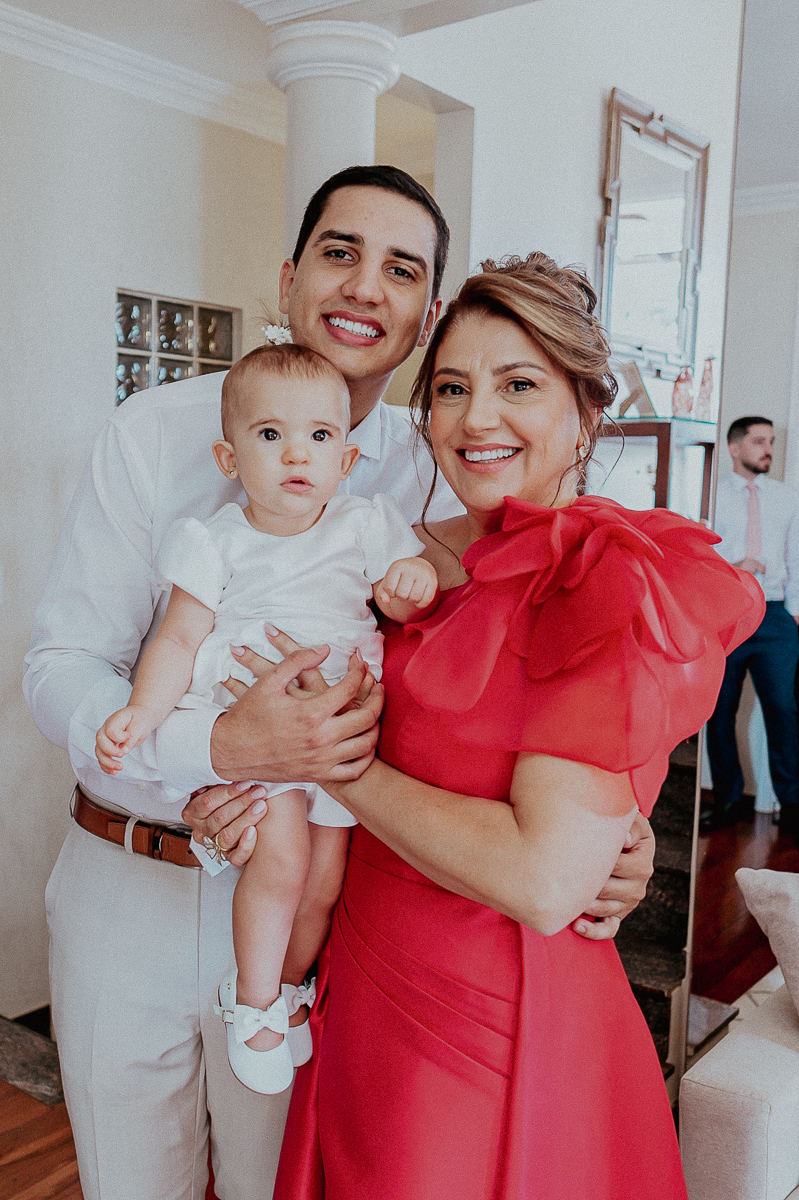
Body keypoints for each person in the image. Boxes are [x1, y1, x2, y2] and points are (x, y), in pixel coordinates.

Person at [23, 167, 656, 1200]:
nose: (366, 286)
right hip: (130, 885)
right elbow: (58, 671)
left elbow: (528, 668)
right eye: (339, 253)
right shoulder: (156, 434)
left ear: (425, 316)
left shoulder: (440, 456)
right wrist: (214, 753)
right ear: (288, 278)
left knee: (286, 1179)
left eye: (400, 269)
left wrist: (611, 839)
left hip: (321, 912)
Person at [257, 255, 763, 1200]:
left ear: (584, 411)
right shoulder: (396, 554)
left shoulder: (610, 579)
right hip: (360, 973)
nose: (475, 419)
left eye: (517, 384)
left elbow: (542, 880)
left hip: (493, 1016)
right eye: (451, 388)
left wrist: (336, 768)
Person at [95, 342, 438, 1095]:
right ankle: (250, 1002)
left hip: (341, 741)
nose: (297, 454)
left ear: (345, 460)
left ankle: (284, 992)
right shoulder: (215, 540)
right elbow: (178, 640)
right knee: (280, 863)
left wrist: (410, 581)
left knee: (323, 884)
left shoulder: (364, 523)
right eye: (269, 434)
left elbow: (403, 599)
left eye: (319, 436)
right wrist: (142, 713)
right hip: (258, 731)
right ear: (229, 455)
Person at [704, 416, 799, 836]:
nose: (769, 450)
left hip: (776, 616)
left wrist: (794, 612)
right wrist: (733, 566)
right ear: (734, 447)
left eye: (772, 442)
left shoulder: (786, 497)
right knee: (719, 712)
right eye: (760, 442)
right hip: (726, 613)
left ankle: (793, 807)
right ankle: (726, 800)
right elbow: (697, 560)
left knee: (784, 711)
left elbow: (795, 555)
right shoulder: (711, 498)